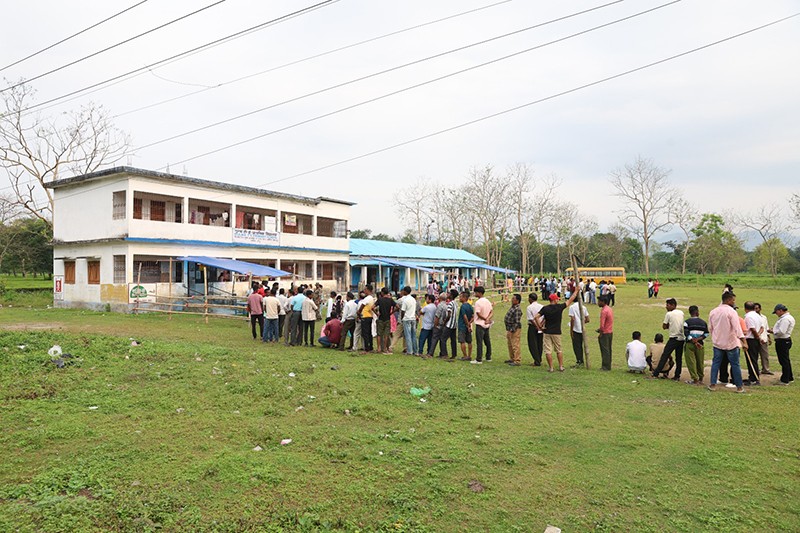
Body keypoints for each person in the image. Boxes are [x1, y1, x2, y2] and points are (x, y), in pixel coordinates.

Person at [707, 291, 746, 393]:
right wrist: (744, 342)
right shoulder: (731, 312)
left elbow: (710, 328)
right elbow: (737, 328)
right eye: (733, 300)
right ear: (728, 300)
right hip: (730, 343)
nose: (734, 302)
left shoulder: (713, 311)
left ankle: (712, 384)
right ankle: (739, 387)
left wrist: (715, 337)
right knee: (735, 364)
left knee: (716, 364)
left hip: (718, 343)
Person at [535, 289, 579, 372]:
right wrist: (576, 291)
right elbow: (570, 300)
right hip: (556, 332)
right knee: (558, 350)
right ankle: (561, 366)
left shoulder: (545, 308)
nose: (558, 300)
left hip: (547, 331)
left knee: (548, 351)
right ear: (554, 300)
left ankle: (551, 368)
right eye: (557, 299)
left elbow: (536, 317)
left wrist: (540, 327)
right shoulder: (559, 307)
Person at [652, 298, 685, 380]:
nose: (666, 307)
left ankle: (656, 373)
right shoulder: (681, 312)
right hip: (681, 338)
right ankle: (677, 375)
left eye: (668, 305)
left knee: (665, 355)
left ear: (673, 305)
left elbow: (664, 326)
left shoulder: (669, 314)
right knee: (679, 358)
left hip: (674, 338)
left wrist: (669, 325)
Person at [769, 304, 794, 385]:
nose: (776, 314)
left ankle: (785, 379)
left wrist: (772, 331)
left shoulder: (785, 319)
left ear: (780, 310)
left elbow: (781, 331)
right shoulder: (787, 317)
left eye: (776, 312)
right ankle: (789, 377)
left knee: (783, 361)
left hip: (782, 341)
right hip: (785, 340)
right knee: (786, 360)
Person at [683, 305, 709, 385]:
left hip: (690, 344)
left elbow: (686, 333)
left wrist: (693, 340)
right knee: (700, 361)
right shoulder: (703, 323)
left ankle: (695, 379)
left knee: (691, 362)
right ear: (697, 312)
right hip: (700, 344)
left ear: (690, 313)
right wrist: (698, 339)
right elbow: (706, 334)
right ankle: (701, 378)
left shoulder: (687, 322)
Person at [743, 301, 762, 386]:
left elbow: (752, 329)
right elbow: (762, 327)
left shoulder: (748, 317)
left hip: (751, 340)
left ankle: (754, 378)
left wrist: (757, 336)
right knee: (754, 359)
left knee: (751, 359)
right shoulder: (758, 315)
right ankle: (752, 377)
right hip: (755, 339)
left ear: (745, 308)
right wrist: (758, 336)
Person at [472, 286, 493, 364]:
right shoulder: (487, 301)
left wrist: (484, 319)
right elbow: (491, 312)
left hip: (480, 324)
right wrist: (487, 319)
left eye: (476, 292)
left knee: (479, 342)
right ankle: (488, 357)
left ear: (479, 293)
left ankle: (479, 359)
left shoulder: (478, 302)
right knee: (487, 341)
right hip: (486, 324)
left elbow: (478, 313)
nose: (475, 294)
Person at [568, 298, 590, 368]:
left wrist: (571, 330)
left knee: (577, 347)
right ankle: (581, 361)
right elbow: (588, 319)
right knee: (581, 345)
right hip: (582, 329)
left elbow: (572, 319)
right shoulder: (584, 307)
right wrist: (582, 323)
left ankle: (579, 361)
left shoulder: (572, 307)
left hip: (575, 329)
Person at [399, 286, 419, 356]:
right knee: (413, 335)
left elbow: (403, 311)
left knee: (408, 335)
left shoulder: (405, 300)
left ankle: (409, 351)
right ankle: (415, 351)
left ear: (405, 291)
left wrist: (402, 318)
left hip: (407, 318)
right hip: (413, 318)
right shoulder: (413, 299)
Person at [504, 293, 523, 366]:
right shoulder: (513, 307)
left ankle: (517, 360)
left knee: (515, 345)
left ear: (517, 301)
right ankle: (512, 358)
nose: (512, 300)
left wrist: (512, 329)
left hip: (514, 329)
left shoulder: (517, 309)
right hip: (509, 328)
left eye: (513, 299)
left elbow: (517, 321)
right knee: (510, 344)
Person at [754, 303, 773, 375]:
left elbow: (766, 328)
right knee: (755, 355)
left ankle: (765, 369)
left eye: (757, 308)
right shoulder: (752, 317)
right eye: (754, 308)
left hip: (764, 338)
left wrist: (769, 338)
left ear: (760, 309)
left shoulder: (764, 317)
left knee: (765, 355)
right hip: (755, 339)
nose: (756, 310)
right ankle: (756, 370)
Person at [375, 287, 395, 355]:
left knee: (379, 334)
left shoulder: (380, 300)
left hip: (380, 318)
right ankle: (385, 348)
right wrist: (392, 312)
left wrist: (376, 313)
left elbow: (372, 307)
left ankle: (378, 348)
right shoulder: (390, 300)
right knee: (386, 334)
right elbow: (397, 307)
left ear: (382, 293)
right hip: (387, 318)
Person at [526, 293, 544, 366]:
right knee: (540, 343)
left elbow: (531, 319)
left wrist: (536, 326)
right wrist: (540, 325)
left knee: (532, 343)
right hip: (541, 326)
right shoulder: (542, 306)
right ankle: (539, 358)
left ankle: (537, 360)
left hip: (533, 327)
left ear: (530, 299)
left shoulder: (529, 307)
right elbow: (544, 317)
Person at [357, 285, 375, 353]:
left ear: (368, 290)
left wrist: (358, 312)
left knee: (365, 333)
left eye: (365, 289)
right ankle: (370, 347)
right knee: (369, 332)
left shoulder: (367, 298)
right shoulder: (371, 298)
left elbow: (362, 306)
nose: (364, 291)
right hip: (370, 316)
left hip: (365, 316)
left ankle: (366, 348)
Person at [597, 295, 614, 370]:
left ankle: (605, 366)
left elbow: (602, 324)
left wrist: (600, 333)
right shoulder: (609, 309)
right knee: (608, 349)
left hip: (605, 333)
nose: (598, 303)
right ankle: (608, 365)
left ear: (603, 302)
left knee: (605, 350)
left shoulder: (604, 311)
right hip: (610, 332)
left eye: (599, 301)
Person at [441, 289, 459, 359]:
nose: (447, 294)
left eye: (448, 293)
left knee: (443, 339)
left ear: (451, 295)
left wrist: (445, 322)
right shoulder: (455, 303)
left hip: (449, 324)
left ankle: (444, 354)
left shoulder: (450, 304)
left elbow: (449, 315)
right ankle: (454, 354)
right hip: (454, 325)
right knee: (453, 340)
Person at [429, 293, 448, 357]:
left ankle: (430, 353)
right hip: (443, 324)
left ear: (440, 298)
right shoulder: (446, 305)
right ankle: (443, 353)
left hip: (438, 324)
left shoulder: (440, 306)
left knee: (434, 339)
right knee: (442, 339)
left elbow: (437, 316)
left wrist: (435, 324)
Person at [457, 290, 474, 361]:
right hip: (468, 326)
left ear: (464, 298)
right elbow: (473, 316)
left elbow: (464, 316)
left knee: (462, 341)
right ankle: (469, 355)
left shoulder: (463, 307)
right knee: (469, 341)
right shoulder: (470, 306)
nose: (459, 298)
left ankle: (465, 355)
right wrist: (470, 323)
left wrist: (467, 324)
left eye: (460, 297)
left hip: (462, 326)